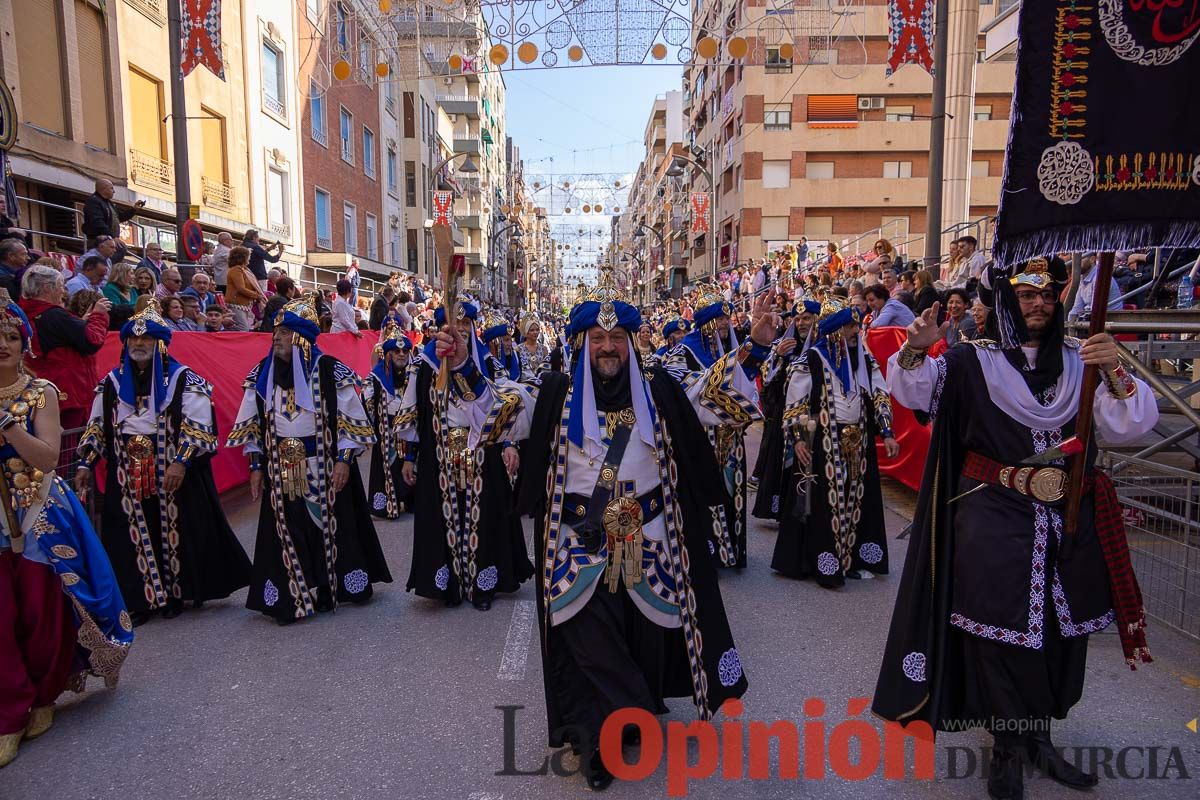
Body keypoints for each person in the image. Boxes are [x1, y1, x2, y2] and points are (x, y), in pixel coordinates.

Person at [874, 259, 1159, 800]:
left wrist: (1116, 368)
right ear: (1008, 298)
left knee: (1059, 634)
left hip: (1067, 519)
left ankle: (1041, 738)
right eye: (1027, 296)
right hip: (993, 515)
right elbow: (913, 391)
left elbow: (1130, 424)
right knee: (999, 635)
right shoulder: (969, 361)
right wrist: (915, 345)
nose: (1039, 305)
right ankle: (1008, 746)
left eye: (1048, 296)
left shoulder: (1082, 362)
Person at [500, 269, 764, 789]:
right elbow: (501, 411)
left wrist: (750, 347)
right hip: (576, 541)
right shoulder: (553, 391)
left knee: (639, 633)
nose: (607, 348)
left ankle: (632, 713)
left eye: (616, 338)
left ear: (631, 342)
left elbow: (720, 400)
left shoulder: (661, 387)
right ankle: (601, 736)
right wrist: (458, 364)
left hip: (650, 536)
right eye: (597, 339)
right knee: (588, 639)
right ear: (581, 343)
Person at [0, 290, 132, 769]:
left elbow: (49, 458)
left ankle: (42, 699)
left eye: (12, 336)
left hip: (38, 515)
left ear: (25, 342)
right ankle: (9, 713)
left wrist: (8, 429)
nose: (3, 344)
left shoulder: (42, 393)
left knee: (39, 613)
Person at [76, 301, 252, 625]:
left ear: (160, 344)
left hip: (172, 471)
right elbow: (96, 426)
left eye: (145, 340)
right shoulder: (111, 383)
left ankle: (176, 593)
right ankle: (140, 600)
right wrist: (86, 463)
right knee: (130, 536)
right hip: (126, 473)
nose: (138, 345)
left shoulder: (185, 380)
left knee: (177, 530)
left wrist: (181, 462)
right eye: (133, 340)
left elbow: (198, 426)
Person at [227, 292, 391, 624]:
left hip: (325, 467)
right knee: (288, 530)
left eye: (285, 333)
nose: (277, 338)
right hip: (280, 468)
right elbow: (253, 421)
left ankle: (330, 587)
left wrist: (345, 459)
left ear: (301, 336)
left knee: (327, 527)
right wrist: (256, 465)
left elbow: (351, 418)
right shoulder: (263, 372)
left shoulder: (329, 370)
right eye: (276, 333)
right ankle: (293, 596)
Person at [396, 300, 532, 612]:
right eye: (453, 326)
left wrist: (509, 444)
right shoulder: (424, 365)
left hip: (483, 453)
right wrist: (409, 456)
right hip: (439, 456)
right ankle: (449, 586)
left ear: (473, 328)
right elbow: (413, 414)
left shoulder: (488, 363)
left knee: (483, 519)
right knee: (444, 519)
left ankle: (482, 586)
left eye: (466, 325)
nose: (460, 331)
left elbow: (505, 406)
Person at [771, 297, 898, 587]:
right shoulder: (812, 359)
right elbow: (796, 404)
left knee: (857, 500)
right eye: (850, 326)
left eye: (856, 325)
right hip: (822, 443)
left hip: (858, 441)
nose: (856, 331)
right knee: (825, 502)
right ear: (834, 329)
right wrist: (800, 440)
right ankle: (825, 561)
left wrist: (887, 432)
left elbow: (879, 394)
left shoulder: (864, 359)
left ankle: (852, 559)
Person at [663, 286, 759, 568]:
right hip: (701, 435)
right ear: (706, 323)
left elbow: (748, 384)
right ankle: (708, 552)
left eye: (726, 319)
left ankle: (733, 550)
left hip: (730, 435)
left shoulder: (731, 348)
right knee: (703, 492)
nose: (723, 324)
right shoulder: (685, 349)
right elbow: (675, 385)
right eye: (718, 319)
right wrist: (715, 375)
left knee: (732, 490)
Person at [18, 265, 110, 438]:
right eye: (61, 285)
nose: (64, 291)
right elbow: (92, 340)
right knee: (70, 449)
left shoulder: (24, 312)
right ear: (47, 288)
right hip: (70, 394)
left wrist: (80, 323)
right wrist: (99, 315)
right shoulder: (54, 315)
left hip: (46, 390)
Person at [752, 298, 819, 520]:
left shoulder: (824, 346)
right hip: (785, 417)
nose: (801, 323)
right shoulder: (783, 344)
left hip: (815, 417)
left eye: (806, 318)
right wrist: (778, 356)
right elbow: (765, 377)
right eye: (797, 319)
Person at [363, 319, 416, 518]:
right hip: (385, 434)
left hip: (409, 433)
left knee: (410, 465)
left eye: (404, 351)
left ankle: (409, 501)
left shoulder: (415, 376)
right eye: (396, 351)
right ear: (388, 354)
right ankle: (386, 504)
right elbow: (365, 401)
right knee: (387, 469)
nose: (401, 355)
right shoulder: (376, 377)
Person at [81, 178, 143, 256]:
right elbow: (97, 222)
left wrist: (133, 209)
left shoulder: (109, 203)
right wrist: (112, 236)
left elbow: (120, 217)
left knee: (121, 249)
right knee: (120, 249)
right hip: (99, 240)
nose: (114, 191)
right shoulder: (94, 202)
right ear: (104, 188)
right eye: (111, 188)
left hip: (110, 239)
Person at [1068, 252, 1123, 319]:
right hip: (1092, 318)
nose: (1076, 263)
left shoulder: (1100, 277)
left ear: (1092, 259)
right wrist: (1068, 322)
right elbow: (1077, 307)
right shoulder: (1082, 278)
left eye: (1081, 258)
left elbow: (1095, 309)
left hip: (1109, 320)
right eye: (1075, 259)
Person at [224, 246, 265, 331]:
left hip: (244, 304)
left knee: (244, 328)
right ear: (243, 257)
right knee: (243, 328)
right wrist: (257, 296)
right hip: (236, 304)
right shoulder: (236, 270)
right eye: (248, 256)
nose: (249, 258)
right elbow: (241, 288)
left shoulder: (245, 270)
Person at [480, 312, 521, 381]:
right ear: (495, 341)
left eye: (511, 340)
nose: (510, 344)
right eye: (506, 340)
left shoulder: (515, 356)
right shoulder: (483, 359)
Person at [516, 313, 550, 382]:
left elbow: (547, 370)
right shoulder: (518, 349)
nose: (535, 332)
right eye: (532, 330)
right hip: (524, 386)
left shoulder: (544, 349)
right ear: (526, 332)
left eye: (537, 330)